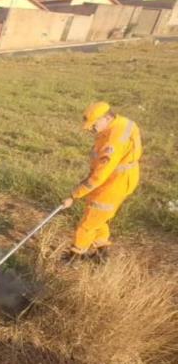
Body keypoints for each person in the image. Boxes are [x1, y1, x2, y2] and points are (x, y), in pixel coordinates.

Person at [62, 101, 142, 259]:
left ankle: (75, 257)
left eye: (93, 125)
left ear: (106, 118)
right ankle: (102, 252)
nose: (91, 129)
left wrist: (74, 195)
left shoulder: (113, 142)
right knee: (100, 216)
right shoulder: (122, 123)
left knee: (88, 223)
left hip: (114, 183)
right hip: (120, 178)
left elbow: (99, 175)